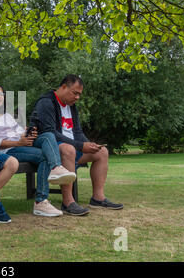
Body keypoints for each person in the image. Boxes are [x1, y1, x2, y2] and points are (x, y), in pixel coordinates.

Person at [0, 84, 76, 218]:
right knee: (45, 156)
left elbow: (20, 132)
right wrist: (18, 142)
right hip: (4, 152)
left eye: (2, 94)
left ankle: (56, 168)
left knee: (48, 136)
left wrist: (29, 133)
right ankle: (41, 200)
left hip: (19, 146)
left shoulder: (7, 117)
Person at [30, 74, 124, 216]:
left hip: (72, 148)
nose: (77, 97)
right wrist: (80, 146)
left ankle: (98, 198)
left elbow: (77, 132)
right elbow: (49, 133)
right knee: (69, 150)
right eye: (75, 93)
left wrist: (88, 144)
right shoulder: (46, 102)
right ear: (63, 87)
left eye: (79, 94)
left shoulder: (71, 107)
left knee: (102, 152)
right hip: (52, 150)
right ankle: (68, 202)